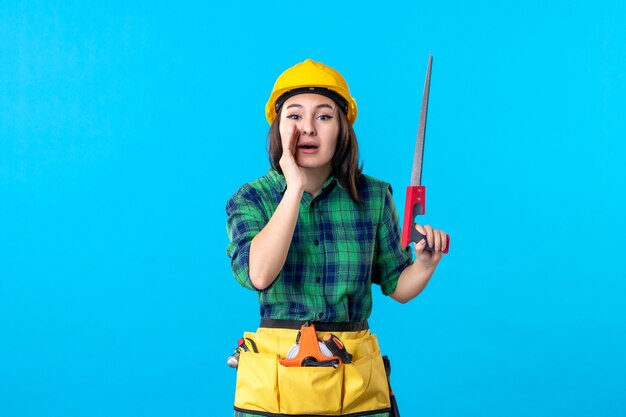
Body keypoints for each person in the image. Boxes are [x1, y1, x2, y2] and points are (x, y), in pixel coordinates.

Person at [226, 58, 447, 417]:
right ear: (277, 128)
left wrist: (425, 263)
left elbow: (399, 287)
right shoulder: (251, 199)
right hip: (275, 388)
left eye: (324, 116)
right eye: (294, 116)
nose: (308, 128)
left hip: (354, 383)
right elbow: (260, 275)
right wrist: (294, 186)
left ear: (343, 129)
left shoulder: (374, 197)